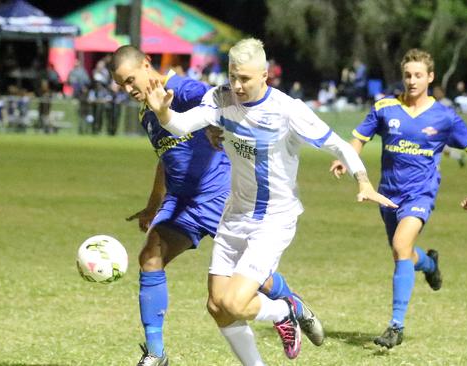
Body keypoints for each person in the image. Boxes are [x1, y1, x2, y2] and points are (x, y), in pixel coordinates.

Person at [142, 38, 396, 364]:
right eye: (233, 76)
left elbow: (339, 146)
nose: (237, 85)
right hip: (234, 215)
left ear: (265, 75)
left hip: (273, 219)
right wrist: (163, 111)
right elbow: (182, 125)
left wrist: (362, 180)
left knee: (234, 303)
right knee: (216, 306)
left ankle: (283, 310)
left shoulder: (288, 110)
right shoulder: (221, 97)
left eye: (244, 78)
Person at [109, 44, 326, 366]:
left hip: (219, 196)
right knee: (150, 257)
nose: (127, 89)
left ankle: (289, 306)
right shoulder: (146, 111)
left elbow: (216, 99)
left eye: (130, 80)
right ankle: (156, 353)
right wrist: (153, 204)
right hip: (181, 202)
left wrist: (214, 123)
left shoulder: (180, 89)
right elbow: (166, 158)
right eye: (121, 84)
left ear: (146, 64)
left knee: (255, 283)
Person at [331, 48, 467, 349]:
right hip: (387, 194)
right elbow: (359, 139)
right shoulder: (385, 108)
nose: (412, 81)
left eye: (418, 75)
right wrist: (345, 159)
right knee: (404, 253)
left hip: (421, 193)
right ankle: (428, 264)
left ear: (430, 77)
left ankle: (395, 325)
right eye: (407, 75)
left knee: (401, 246)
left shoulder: (444, 116)